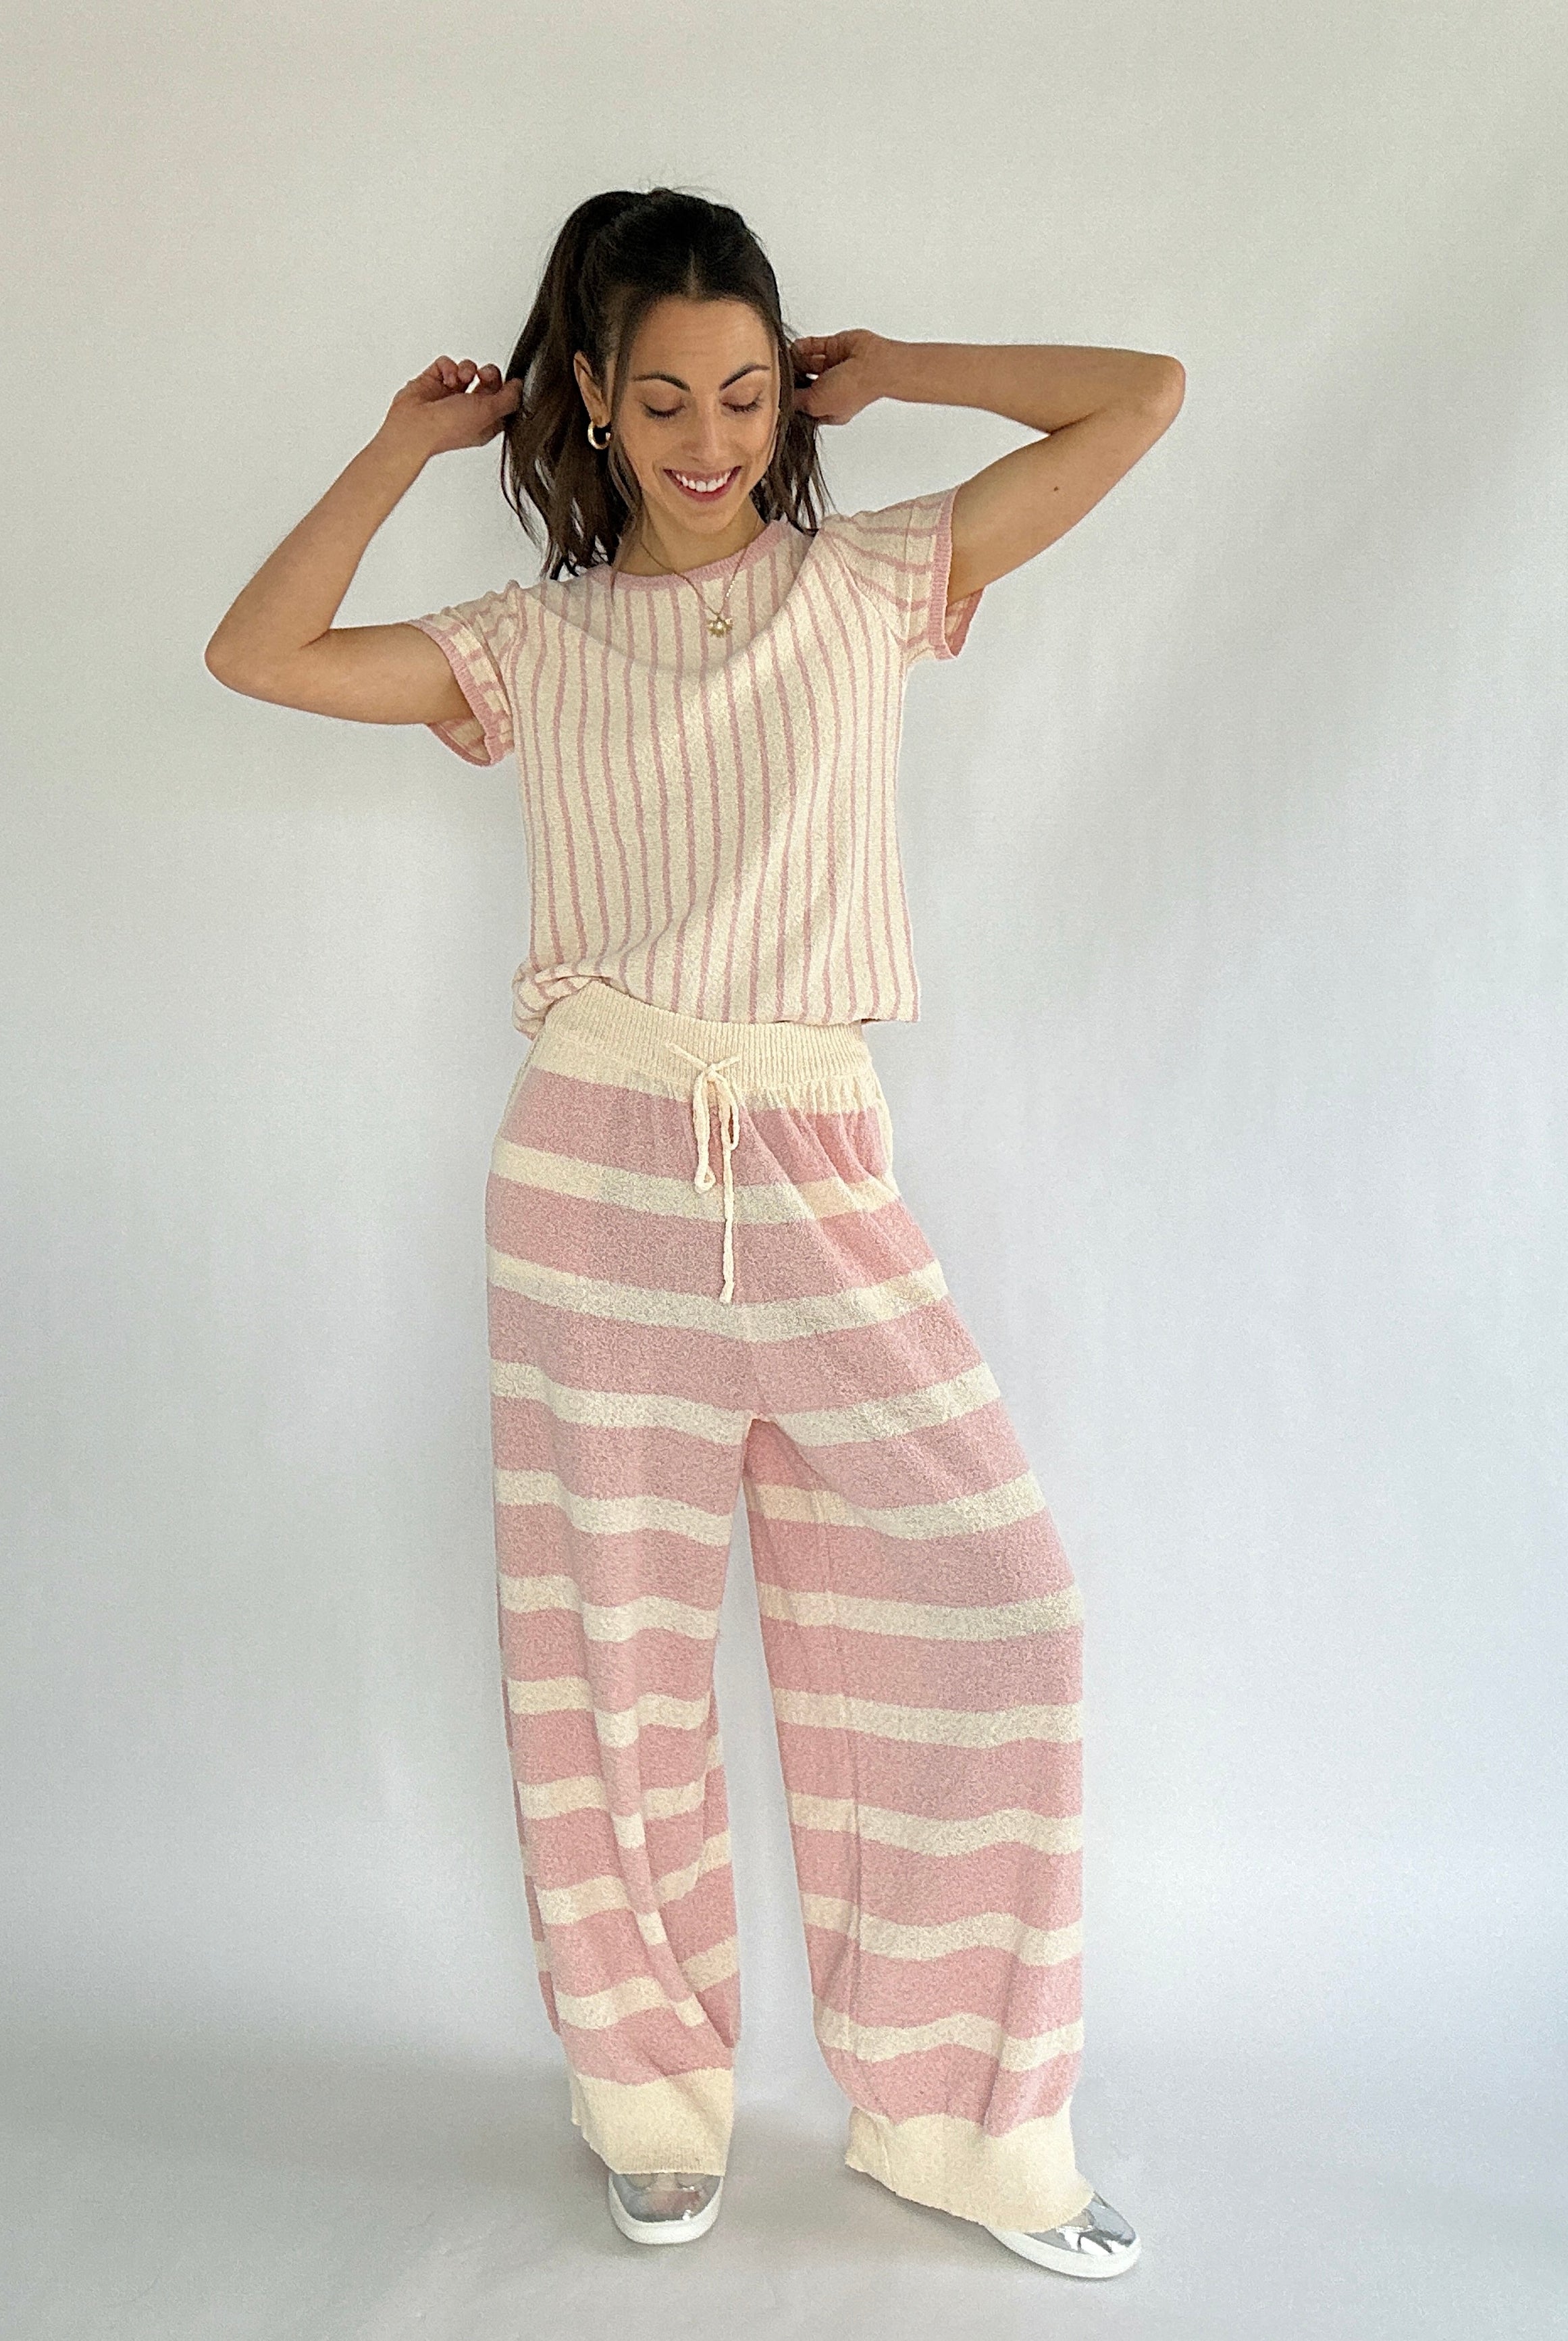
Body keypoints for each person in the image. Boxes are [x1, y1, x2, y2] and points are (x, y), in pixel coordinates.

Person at [205, 184, 1183, 2278]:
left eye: (746, 391)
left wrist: (905, 373)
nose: (713, 436)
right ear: (592, 399)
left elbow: (1140, 400)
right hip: (595, 1172)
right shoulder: (530, 643)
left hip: (820, 1162)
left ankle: (959, 2118)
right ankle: (645, 2090)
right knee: (610, 1657)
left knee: (1003, 1603)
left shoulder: (877, 578)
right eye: (664, 399)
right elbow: (256, 652)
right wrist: (400, 452)